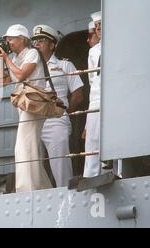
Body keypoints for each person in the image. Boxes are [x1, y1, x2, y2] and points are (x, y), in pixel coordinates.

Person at [0, 24, 52, 193]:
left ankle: (26, 188)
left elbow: (20, 75)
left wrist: (6, 59)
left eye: (11, 38)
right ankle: (41, 186)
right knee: (30, 146)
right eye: (7, 39)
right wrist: (0, 59)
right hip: (24, 105)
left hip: (33, 104)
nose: (8, 42)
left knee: (24, 146)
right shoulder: (16, 57)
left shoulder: (32, 53)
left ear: (22, 39)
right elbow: (0, 82)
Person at [31, 25, 84, 187]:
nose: (37, 44)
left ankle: (66, 198)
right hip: (32, 121)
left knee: (60, 166)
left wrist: (65, 112)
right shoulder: (30, 68)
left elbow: (78, 93)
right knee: (32, 167)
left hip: (55, 121)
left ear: (52, 45)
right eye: (35, 41)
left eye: (41, 40)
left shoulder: (64, 65)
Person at [83, 11, 102, 177]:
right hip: (96, 98)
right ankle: (90, 175)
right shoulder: (93, 51)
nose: (98, 29)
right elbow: (91, 79)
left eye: (101, 25)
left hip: (115, 98)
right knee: (92, 140)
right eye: (96, 26)